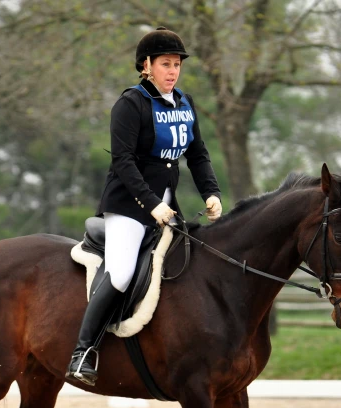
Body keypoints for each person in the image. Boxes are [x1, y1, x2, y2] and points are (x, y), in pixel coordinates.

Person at [66, 26, 224, 386]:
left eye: (177, 65)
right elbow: (123, 161)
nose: (173, 71)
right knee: (121, 273)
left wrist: (210, 192)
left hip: (169, 209)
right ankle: (83, 351)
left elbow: (197, 155)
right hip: (129, 207)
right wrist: (150, 203)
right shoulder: (131, 104)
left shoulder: (185, 103)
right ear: (146, 67)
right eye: (165, 64)